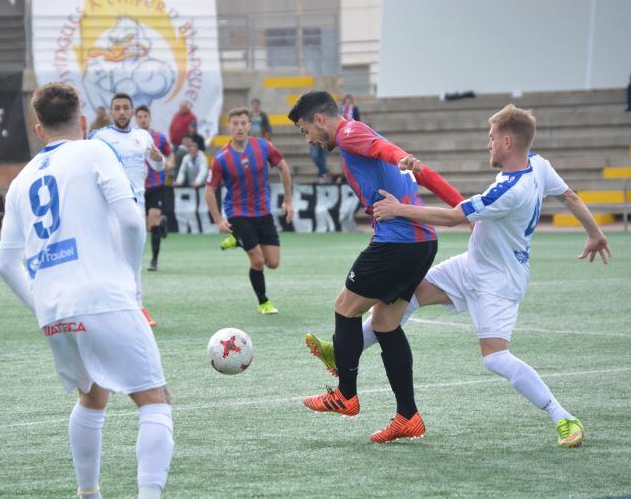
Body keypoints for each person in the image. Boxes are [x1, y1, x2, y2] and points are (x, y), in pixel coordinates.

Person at [305, 104, 611, 448]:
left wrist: (398, 209)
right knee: (394, 308)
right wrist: (595, 233)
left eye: (492, 137)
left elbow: (453, 217)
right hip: (471, 265)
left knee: (495, 357)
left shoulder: (509, 191)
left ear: (507, 142)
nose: (488, 143)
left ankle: (563, 417)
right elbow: (568, 195)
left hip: (498, 281)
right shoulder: (538, 165)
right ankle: (357, 366)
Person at [0, 82, 174, 499]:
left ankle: (88, 493)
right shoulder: (95, 151)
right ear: (81, 120)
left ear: (38, 128)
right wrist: (130, 279)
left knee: (92, 398)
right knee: (154, 399)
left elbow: (5, 264)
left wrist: (42, 304)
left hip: (54, 310)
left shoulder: (20, 181)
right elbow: (131, 221)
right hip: (103, 296)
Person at [287, 90, 464, 441]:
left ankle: (346, 395)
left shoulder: (348, 132)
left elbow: (388, 151)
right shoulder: (359, 134)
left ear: (319, 119)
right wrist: (463, 207)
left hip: (398, 241)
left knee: (345, 307)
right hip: (420, 243)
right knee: (385, 323)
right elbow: (422, 171)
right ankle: (408, 416)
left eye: (306, 130)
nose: (308, 139)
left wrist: (401, 157)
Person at [205, 107, 294, 314]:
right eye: (235, 124)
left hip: (263, 212)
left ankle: (237, 239)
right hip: (238, 213)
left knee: (273, 263)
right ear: (229, 127)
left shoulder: (263, 146)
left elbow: (284, 168)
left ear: (249, 126)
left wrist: (288, 201)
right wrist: (218, 220)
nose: (239, 127)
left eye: (243, 123)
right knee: (258, 260)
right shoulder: (221, 158)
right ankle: (264, 302)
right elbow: (209, 191)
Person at [89, 93, 166, 328]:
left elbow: (158, 166)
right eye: (117, 108)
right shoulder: (99, 137)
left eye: (125, 108)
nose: (122, 112)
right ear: (111, 112)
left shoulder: (143, 136)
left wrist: (158, 159)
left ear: (132, 112)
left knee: (133, 261)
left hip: (137, 207)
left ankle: (136, 307)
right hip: (109, 208)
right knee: (110, 259)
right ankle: (111, 308)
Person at [135, 105, 173, 272]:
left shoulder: (159, 137)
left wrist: (169, 163)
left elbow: (169, 153)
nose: (143, 119)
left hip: (156, 184)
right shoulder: (132, 138)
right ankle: (162, 223)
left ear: (150, 118)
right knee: (145, 226)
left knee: (153, 220)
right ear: (136, 119)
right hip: (138, 186)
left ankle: (154, 260)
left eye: (145, 116)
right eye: (140, 117)